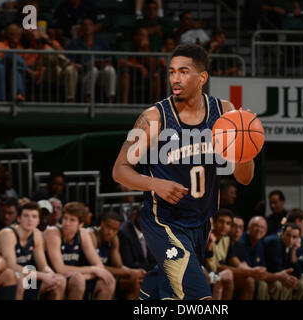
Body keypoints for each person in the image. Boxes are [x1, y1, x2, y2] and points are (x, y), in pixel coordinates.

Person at [112, 43, 256, 300]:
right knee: (199, 298)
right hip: (163, 223)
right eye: (172, 72)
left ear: (202, 77)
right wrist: (155, 184)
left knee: (160, 292)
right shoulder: (154, 118)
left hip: (200, 223)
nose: (175, 79)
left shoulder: (224, 112)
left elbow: (244, 178)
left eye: (184, 72)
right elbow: (120, 170)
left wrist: (244, 147)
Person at [0, 201, 66, 300]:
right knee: (21, 281)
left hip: (26, 276)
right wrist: (42, 276)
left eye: (34, 216)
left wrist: (51, 275)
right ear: (19, 219)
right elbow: (11, 266)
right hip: (3, 279)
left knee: (60, 280)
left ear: (38, 221)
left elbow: (43, 265)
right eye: (26, 216)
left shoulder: (37, 234)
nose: (30, 220)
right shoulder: (8, 234)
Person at [44, 201, 116, 300]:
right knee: (78, 279)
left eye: (72, 220)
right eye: (65, 218)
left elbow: (99, 265)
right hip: (55, 276)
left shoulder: (83, 233)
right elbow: (60, 268)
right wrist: (92, 270)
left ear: (80, 224)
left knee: (108, 281)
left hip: (75, 275)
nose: (67, 223)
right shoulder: (53, 233)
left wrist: (87, 275)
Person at [205, 209, 266, 300]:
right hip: (207, 272)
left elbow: (236, 262)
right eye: (221, 222)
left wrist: (254, 271)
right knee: (227, 278)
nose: (224, 226)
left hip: (219, 274)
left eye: (228, 223)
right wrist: (251, 272)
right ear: (214, 223)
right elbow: (217, 267)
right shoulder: (207, 238)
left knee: (249, 281)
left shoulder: (227, 239)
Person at [87, 211, 146, 300]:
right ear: (101, 224)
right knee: (113, 281)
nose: (110, 232)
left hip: (103, 274)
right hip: (88, 273)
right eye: (108, 227)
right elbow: (97, 267)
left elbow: (118, 265)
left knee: (136, 280)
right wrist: (130, 272)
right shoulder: (92, 236)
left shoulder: (114, 239)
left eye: (114, 230)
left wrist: (135, 272)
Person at [239, 216, 290, 300]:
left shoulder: (260, 244)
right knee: (262, 285)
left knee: (278, 284)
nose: (259, 229)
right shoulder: (241, 242)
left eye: (262, 227)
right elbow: (252, 272)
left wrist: (278, 276)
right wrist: (278, 276)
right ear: (248, 226)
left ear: (266, 231)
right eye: (256, 226)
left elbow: (262, 270)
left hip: (255, 276)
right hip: (244, 276)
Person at [66, 17, 116, 103]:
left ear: (94, 27)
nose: (87, 27)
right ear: (81, 28)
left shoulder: (101, 42)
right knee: (94, 70)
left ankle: (110, 99)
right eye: (84, 25)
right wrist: (82, 66)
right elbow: (70, 61)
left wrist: (104, 63)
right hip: (84, 73)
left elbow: (110, 58)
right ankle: (88, 98)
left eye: (89, 25)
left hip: (101, 72)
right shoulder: (75, 43)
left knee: (110, 70)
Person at [264, 223, 303, 300]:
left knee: (301, 283)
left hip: (278, 275)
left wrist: (293, 251)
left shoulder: (293, 246)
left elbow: (297, 274)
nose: (290, 240)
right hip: (268, 275)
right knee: (288, 283)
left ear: (298, 238)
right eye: (288, 235)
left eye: (294, 237)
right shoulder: (275, 242)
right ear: (282, 234)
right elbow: (277, 269)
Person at [118, 206, 157, 272]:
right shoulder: (124, 233)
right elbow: (129, 263)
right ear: (134, 215)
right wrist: (155, 268)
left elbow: (155, 258)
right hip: (133, 272)